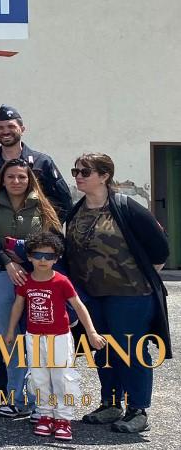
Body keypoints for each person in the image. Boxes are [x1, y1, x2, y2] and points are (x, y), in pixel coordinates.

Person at [64, 152, 170, 435]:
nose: (78, 177)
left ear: (104, 176)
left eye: (85, 172)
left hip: (130, 295)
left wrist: (141, 276)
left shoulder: (126, 207)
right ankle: (110, 404)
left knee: (131, 351)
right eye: (76, 171)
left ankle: (138, 409)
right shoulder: (76, 211)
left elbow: (160, 249)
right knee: (103, 350)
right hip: (91, 295)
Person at [0, 158, 63, 417]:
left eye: (22, 177)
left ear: (30, 180)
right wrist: (8, 262)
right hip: (3, 275)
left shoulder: (44, 206)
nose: (16, 181)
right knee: (10, 338)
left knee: (38, 340)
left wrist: (26, 256)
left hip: (37, 277)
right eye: (11, 177)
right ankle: (16, 398)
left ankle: (41, 402)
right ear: (2, 180)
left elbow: (55, 240)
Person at [6, 231, 106, 442]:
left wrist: (91, 332)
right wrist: (10, 330)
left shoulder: (61, 281)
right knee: (39, 376)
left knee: (62, 377)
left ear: (57, 258)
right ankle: (45, 415)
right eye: (38, 255)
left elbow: (79, 306)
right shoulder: (26, 282)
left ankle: (63, 419)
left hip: (59, 337)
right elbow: (18, 306)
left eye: (49, 256)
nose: (43, 260)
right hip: (34, 337)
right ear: (29, 257)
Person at [0, 105, 72, 217]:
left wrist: (47, 226)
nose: (5, 131)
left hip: (34, 227)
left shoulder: (42, 163)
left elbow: (64, 202)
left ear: (22, 130)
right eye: (0, 128)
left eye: (11, 126)